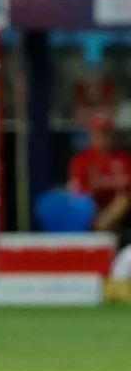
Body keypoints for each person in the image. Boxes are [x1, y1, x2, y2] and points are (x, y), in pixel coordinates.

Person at [69, 114, 131, 277]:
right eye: (98, 133)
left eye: (106, 133)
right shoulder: (83, 160)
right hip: (92, 212)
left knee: (123, 200)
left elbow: (126, 194)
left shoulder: (124, 159)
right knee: (83, 206)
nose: (102, 137)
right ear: (92, 135)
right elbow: (77, 194)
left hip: (120, 215)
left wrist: (109, 216)